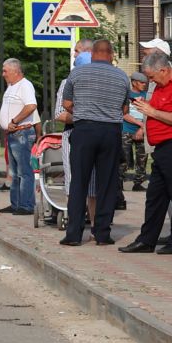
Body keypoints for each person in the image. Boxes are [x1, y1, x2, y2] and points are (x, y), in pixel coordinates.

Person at [56, 40, 132, 246]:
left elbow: (66, 104)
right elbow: (125, 110)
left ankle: (73, 234)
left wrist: (84, 111)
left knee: (79, 182)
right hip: (110, 132)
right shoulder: (122, 76)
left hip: (84, 130)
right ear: (111, 54)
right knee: (106, 184)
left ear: (94, 53)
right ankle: (102, 234)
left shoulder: (77, 74)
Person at [118, 51, 172, 251]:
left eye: (152, 77)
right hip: (161, 148)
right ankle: (147, 240)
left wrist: (151, 111)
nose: (150, 81)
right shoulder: (160, 85)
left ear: (164, 70)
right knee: (155, 196)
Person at [0, 59, 38, 217]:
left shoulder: (25, 85)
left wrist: (14, 121)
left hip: (22, 133)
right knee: (14, 172)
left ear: (15, 71)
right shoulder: (11, 87)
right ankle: (16, 203)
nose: (3, 74)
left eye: (5, 71)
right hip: (12, 134)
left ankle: (27, 205)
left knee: (24, 171)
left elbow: (31, 106)